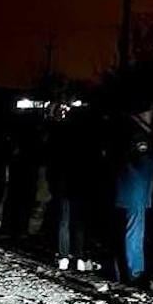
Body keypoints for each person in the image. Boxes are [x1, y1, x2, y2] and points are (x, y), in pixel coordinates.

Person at [112, 101, 153, 284]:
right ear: (142, 113)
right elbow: (145, 163)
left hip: (128, 189)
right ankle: (135, 273)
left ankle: (123, 272)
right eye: (149, 112)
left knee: (126, 231)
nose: (152, 115)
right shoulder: (138, 134)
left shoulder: (128, 130)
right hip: (135, 191)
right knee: (134, 232)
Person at [47, 104, 99, 272]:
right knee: (79, 224)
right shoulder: (89, 138)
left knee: (64, 222)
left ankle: (63, 257)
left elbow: (54, 161)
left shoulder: (62, 135)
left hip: (64, 185)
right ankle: (79, 258)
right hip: (82, 185)